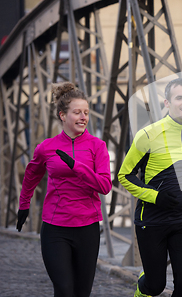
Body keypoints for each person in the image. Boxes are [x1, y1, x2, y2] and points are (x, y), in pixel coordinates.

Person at [16, 82, 113, 297]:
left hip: (87, 228)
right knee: (63, 289)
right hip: (55, 227)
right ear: (62, 115)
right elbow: (31, 175)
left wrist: (76, 166)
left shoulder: (98, 146)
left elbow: (105, 186)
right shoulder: (46, 147)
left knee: (81, 292)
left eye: (86, 113)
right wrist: (24, 205)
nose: (83, 117)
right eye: (77, 112)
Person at [118, 78, 182, 297]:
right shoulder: (148, 134)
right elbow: (125, 175)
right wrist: (155, 197)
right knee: (155, 285)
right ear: (167, 102)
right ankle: (146, 282)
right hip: (151, 219)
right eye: (180, 98)